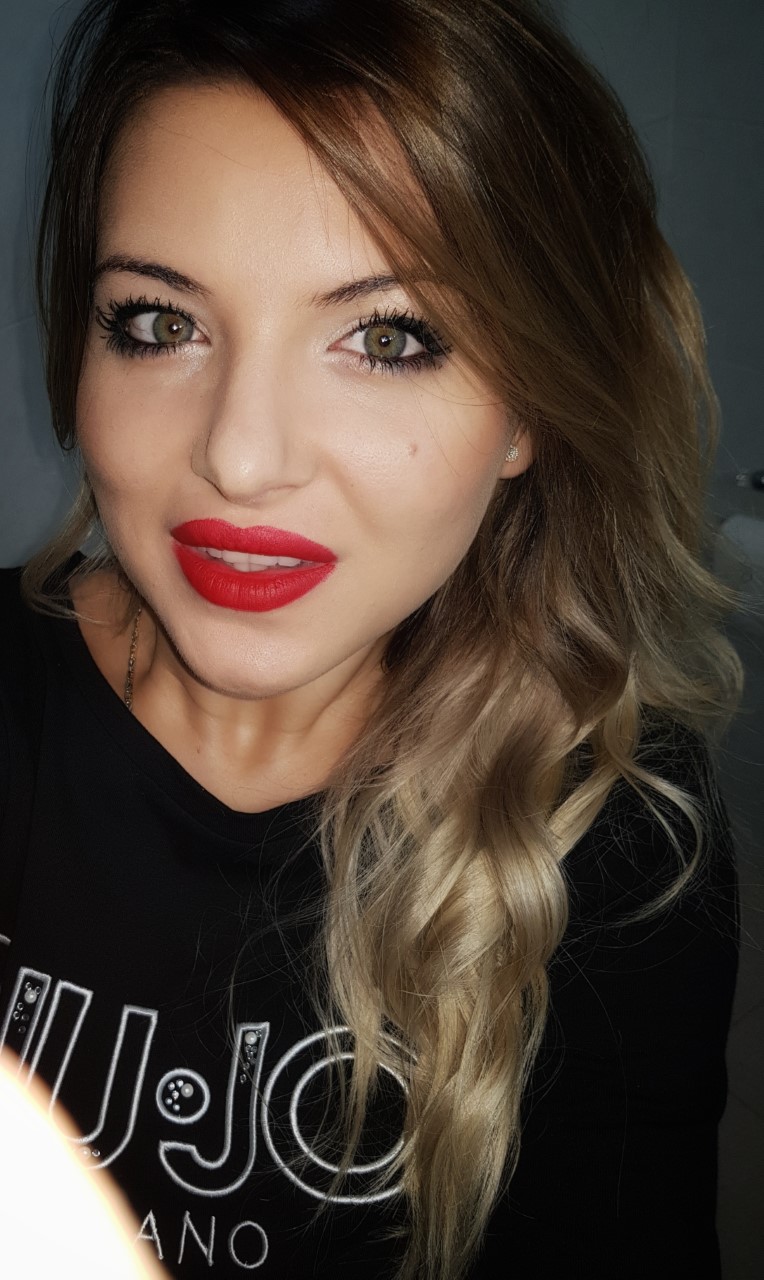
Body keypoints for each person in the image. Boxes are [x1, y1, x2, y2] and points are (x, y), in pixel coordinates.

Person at [0, 1, 747, 1277]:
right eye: (159, 323)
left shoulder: (614, 837)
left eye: (387, 337)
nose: (241, 456)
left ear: (527, 411)